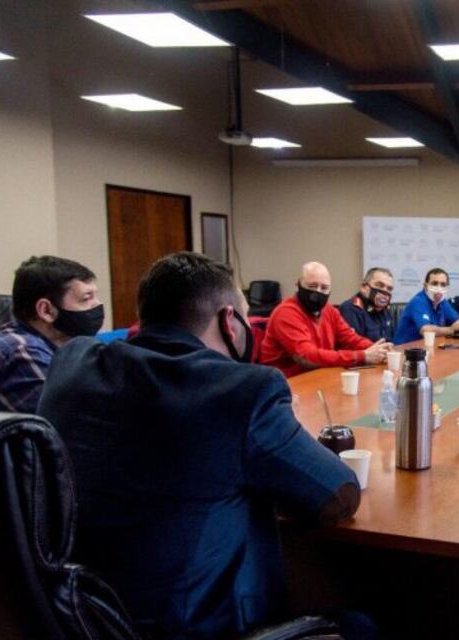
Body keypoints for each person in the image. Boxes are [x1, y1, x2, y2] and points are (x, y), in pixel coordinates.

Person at [37, 252, 366, 640]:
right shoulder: (244, 391)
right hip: (193, 625)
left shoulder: (72, 361)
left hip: (75, 615)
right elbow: (337, 494)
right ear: (230, 321)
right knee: (363, 621)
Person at [0, 255, 102, 413]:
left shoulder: (62, 348)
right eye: (86, 299)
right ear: (46, 310)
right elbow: (70, 420)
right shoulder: (21, 350)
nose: (98, 305)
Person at [260, 261, 391, 376]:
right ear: (298, 285)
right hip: (286, 383)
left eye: (324, 288)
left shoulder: (329, 310)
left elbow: (350, 338)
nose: (318, 292)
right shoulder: (286, 313)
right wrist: (362, 356)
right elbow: (306, 357)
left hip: (318, 375)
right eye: (312, 286)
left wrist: (378, 349)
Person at [393, 267, 459, 344]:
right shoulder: (418, 301)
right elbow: (425, 330)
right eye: (435, 283)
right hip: (404, 349)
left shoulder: (443, 302)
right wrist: (450, 330)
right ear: (425, 286)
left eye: (443, 284)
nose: (439, 288)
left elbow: (457, 321)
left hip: (428, 347)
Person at [338, 267, 396, 342]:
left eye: (389, 289)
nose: (385, 291)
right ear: (364, 287)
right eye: (379, 285)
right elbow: (352, 346)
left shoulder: (386, 311)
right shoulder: (350, 309)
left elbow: (391, 341)